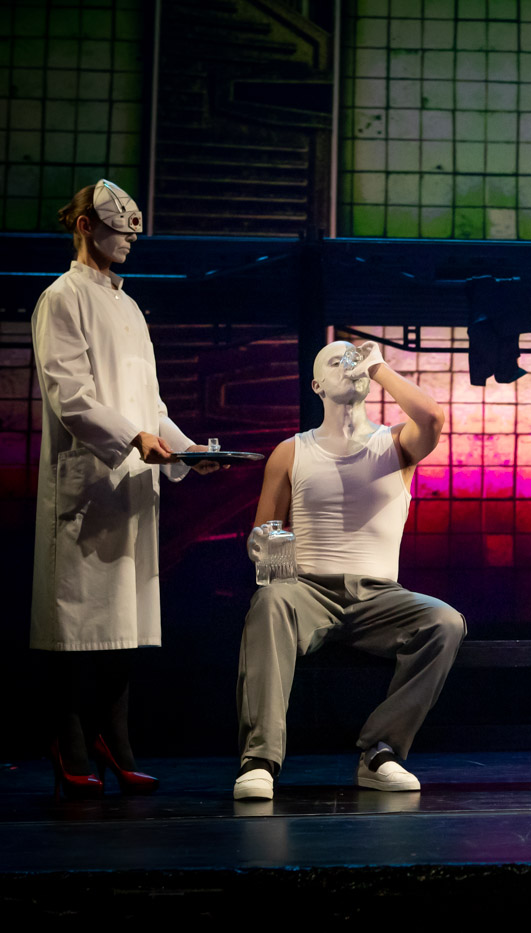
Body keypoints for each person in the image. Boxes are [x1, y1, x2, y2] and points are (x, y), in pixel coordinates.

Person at [32, 180, 217, 798]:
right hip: (88, 485)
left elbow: (149, 403)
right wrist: (133, 439)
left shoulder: (131, 308)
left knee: (125, 622)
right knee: (75, 622)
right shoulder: (62, 299)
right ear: (86, 226)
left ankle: (114, 738)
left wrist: (186, 450)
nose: (131, 240)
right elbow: (70, 395)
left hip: (133, 485)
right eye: (120, 229)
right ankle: (68, 739)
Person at [233, 340, 464, 800]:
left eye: (354, 360)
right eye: (336, 362)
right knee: (270, 600)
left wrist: (379, 367)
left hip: (379, 596)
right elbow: (265, 531)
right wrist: (266, 551)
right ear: (317, 386)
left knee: (445, 621)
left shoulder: (394, 443)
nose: (349, 366)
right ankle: (259, 759)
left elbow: (433, 418)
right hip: (307, 591)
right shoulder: (291, 451)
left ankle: (381, 751)